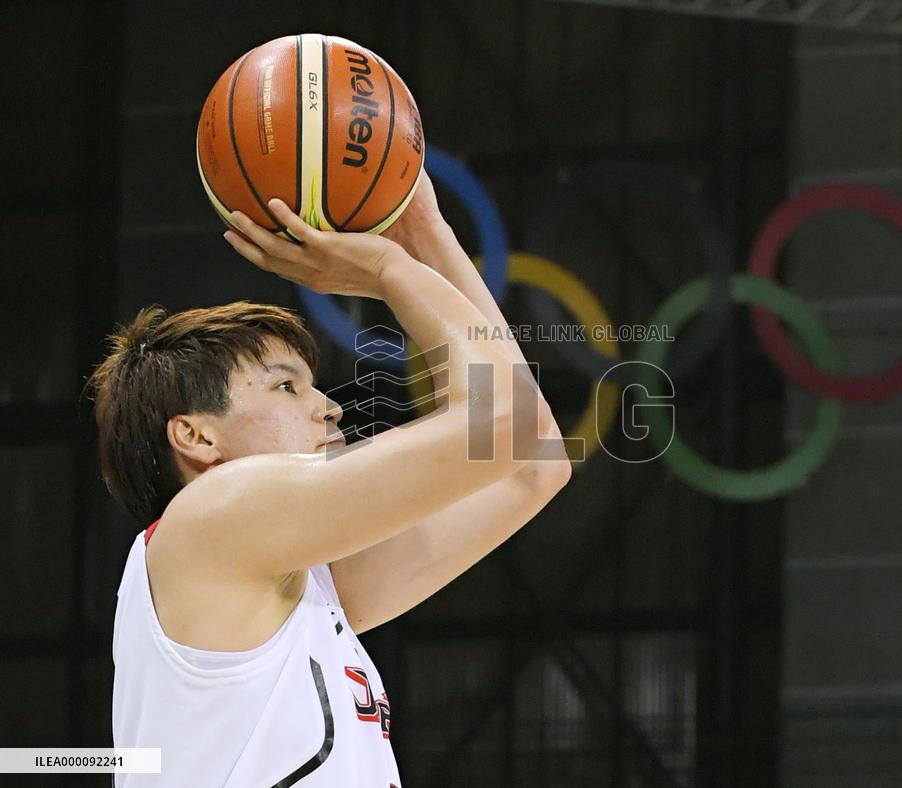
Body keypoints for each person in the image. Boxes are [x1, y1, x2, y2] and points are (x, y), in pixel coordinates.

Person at [93, 171, 572, 786]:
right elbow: (508, 425)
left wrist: (423, 230)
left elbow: (535, 462)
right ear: (196, 436)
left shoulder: (307, 589)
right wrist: (388, 270)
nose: (328, 406)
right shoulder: (209, 518)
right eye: (286, 385)